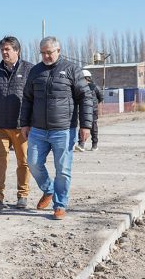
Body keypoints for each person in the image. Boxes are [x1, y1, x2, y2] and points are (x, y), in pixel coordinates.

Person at [20, 36, 93, 220]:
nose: (46, 56)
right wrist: (25, 123)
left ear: (58, 51)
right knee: (34, 163)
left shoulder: (71, 69)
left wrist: (86, 125)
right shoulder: (35, 71)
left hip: (64, 130)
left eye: (49, 52)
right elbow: (27, 99)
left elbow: (85, 98)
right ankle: (49, 190)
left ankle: (60, 205)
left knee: (63, 170)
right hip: (37, 130)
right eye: (43, 53)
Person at [0, 36, 34, 210]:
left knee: (24, 161)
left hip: (21, 126)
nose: (4, 52)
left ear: (17, 50)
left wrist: (32, 122)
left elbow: (34, 98)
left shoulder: (29, 70)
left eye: (8, 49)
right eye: (2, 49)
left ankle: (22, 195)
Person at [75, 70, 103, 151]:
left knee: (88, 127)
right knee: (87, 127)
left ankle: (89, 145)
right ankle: (87, 145)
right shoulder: (81, 87)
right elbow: (101, 98)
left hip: (89, 110)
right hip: (87, 110)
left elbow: (101, 98)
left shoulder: (94, 87)